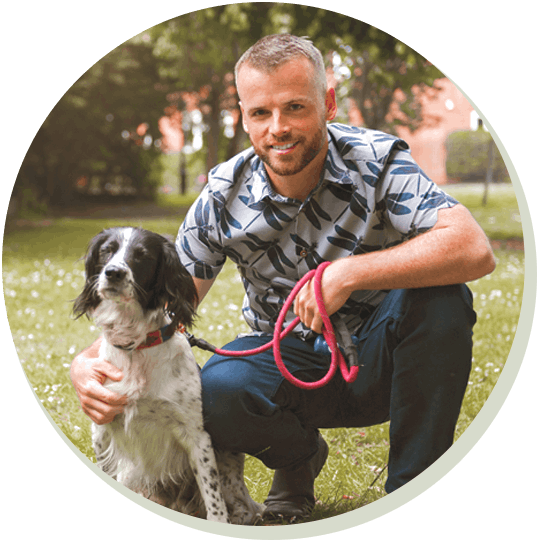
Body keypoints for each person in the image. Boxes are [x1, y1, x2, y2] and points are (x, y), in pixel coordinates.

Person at [70, 34, 496, 520]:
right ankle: (298, 459)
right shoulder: (222, 194)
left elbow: (473, 247)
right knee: (216, 390)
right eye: (260, 113)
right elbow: (160, 301)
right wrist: (87, 364)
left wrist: (348, 273)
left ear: (328, 103)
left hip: (383, 359)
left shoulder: (377, 161)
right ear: (244, 116)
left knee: (442, 297)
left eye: (295, 107)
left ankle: (412, 496)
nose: (278, 128)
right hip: (286, 364)